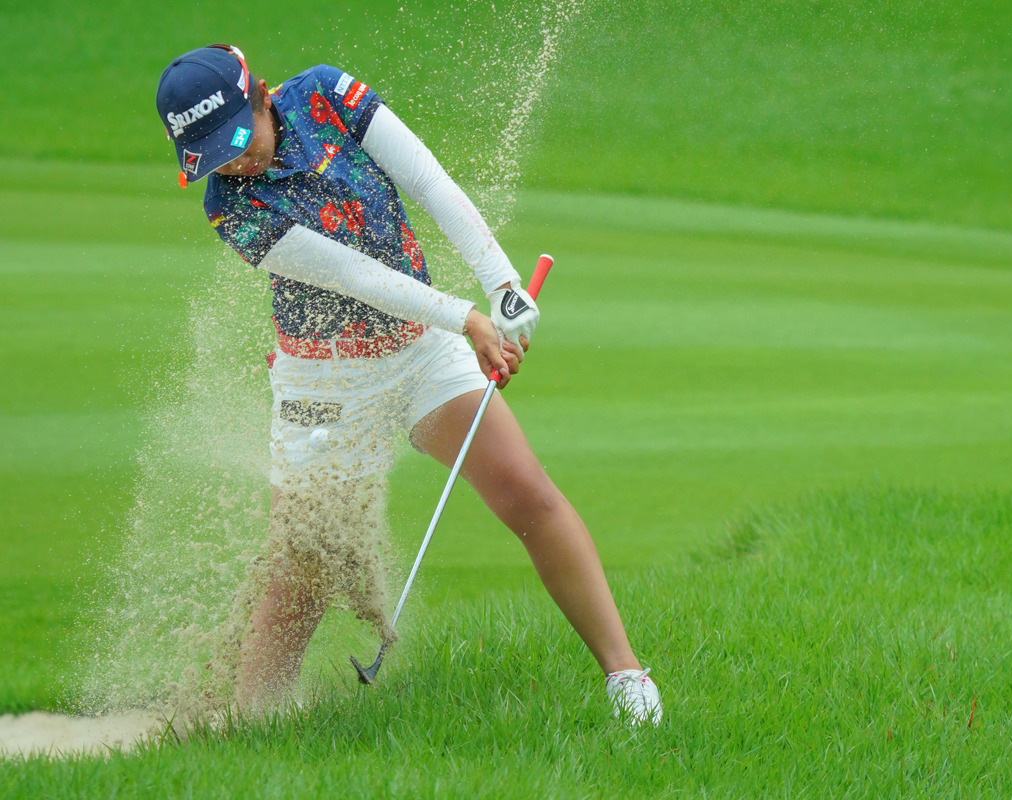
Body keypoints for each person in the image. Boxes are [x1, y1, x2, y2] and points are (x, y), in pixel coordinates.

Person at [154, 44, 662, 726]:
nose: (236, 162)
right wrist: (468, 320)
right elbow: (352, 278)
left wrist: (502, 285)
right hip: (322, 378)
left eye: (239, 140)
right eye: (215, 155)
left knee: (527, 494)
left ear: (263, 95)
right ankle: (255, 729)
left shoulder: (328, 94)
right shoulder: (229, 209)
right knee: (305, 568)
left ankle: (628, 678)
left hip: (417, 350)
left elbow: (428, 181)